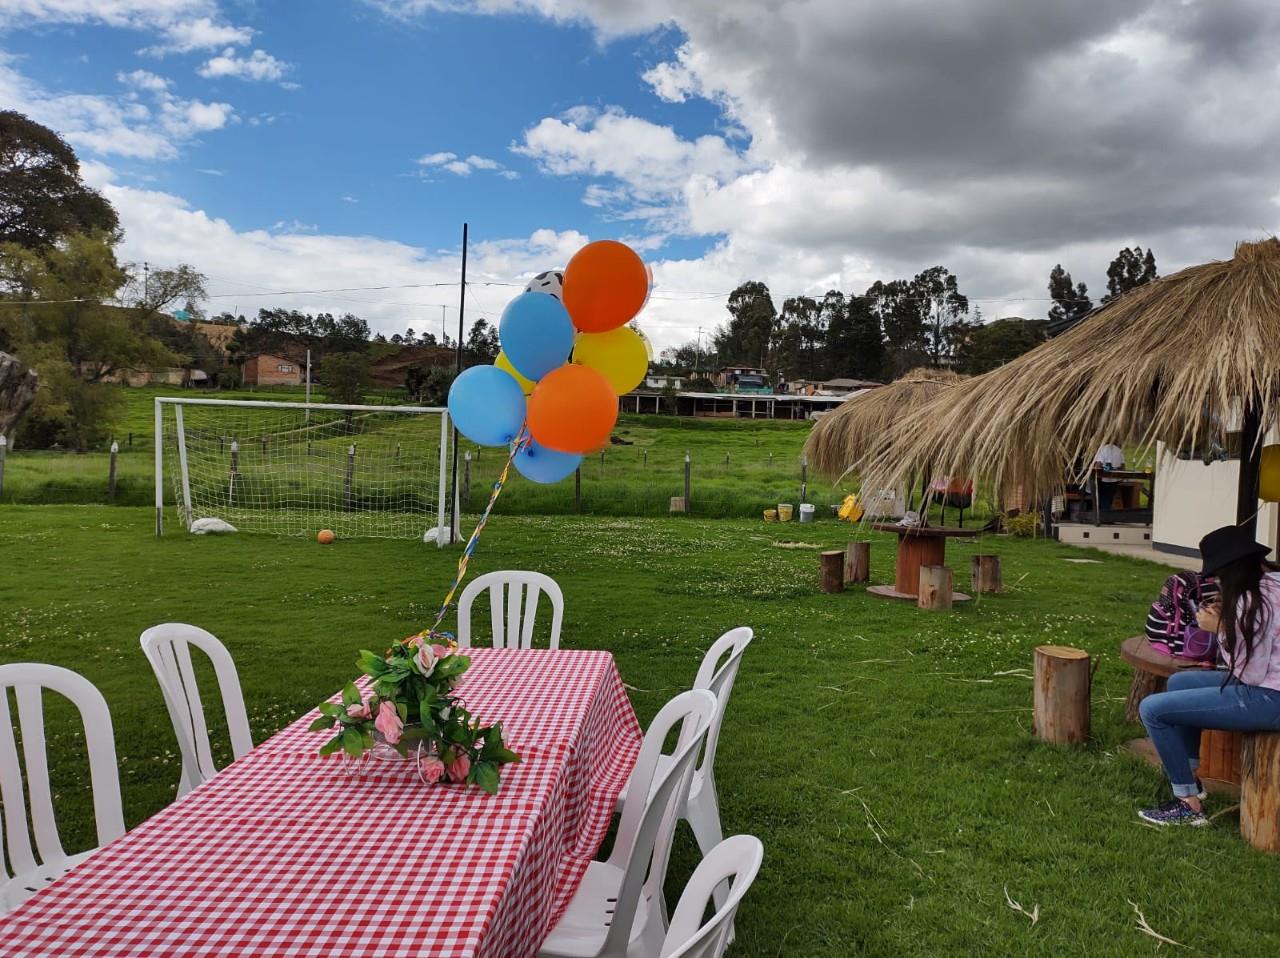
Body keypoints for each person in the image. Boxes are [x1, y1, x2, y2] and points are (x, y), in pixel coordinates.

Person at [1137, 525, 1280, 825]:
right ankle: (1189, 776)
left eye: (1218, 575)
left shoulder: (1253, 604)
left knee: (1152, 709)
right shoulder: (1272, 584)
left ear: (1231, 571)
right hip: (1270, 684)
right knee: (1178, 683)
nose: (1216, 582)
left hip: (1270, 697)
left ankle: (1187, 804)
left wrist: (1221, 631)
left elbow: (1248, 674)